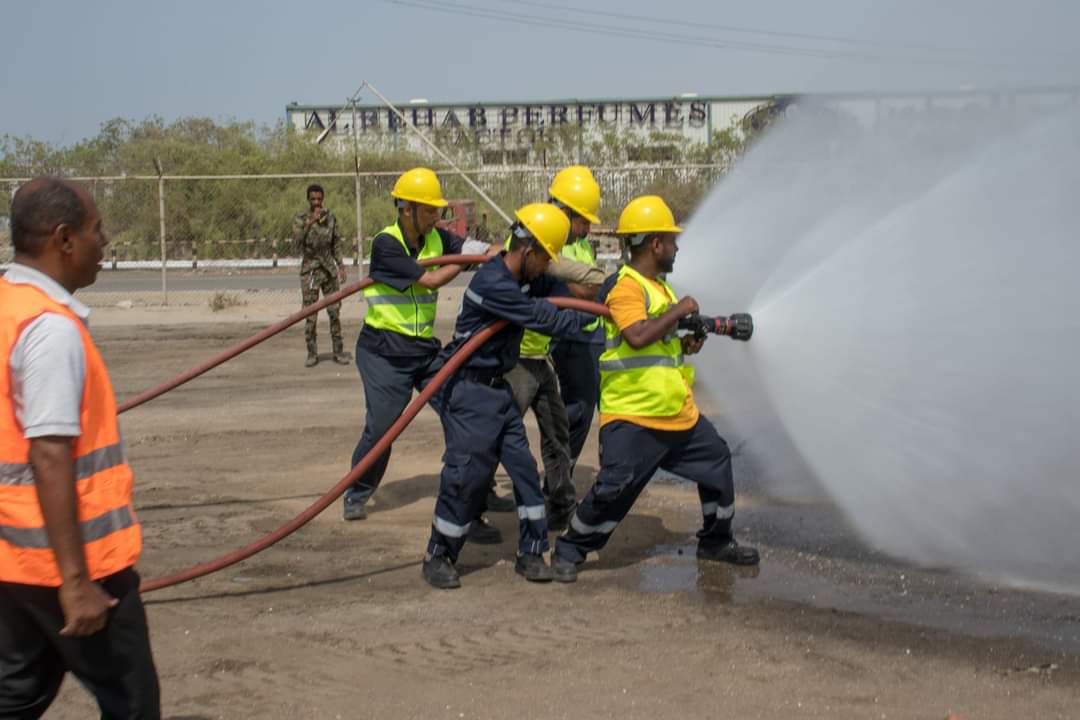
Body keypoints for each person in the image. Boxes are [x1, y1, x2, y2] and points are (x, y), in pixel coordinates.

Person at [0, 178, 161, 717]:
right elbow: (49, 453)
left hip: (14, 565)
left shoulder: (7, 307)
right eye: (98, 229)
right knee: (132, 703)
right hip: (78, 566)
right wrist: (76, 582)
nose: (106, 240)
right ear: (64, 239)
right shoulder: (50, 328)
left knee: (15, 697)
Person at [552, 195, 760, 583]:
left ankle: (716, 540)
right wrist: (680, 311)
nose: (677, 247)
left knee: (717, 461)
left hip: (676, 415)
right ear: (654, 244)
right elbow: (635, 336)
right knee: (613, 489)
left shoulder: (658, 289)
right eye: (671, 239)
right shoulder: (626, 287)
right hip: (633, 416)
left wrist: (683, 344)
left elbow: (657, 343)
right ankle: (569, 548)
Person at [422, 203, 588, 589]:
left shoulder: (527, 277)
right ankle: (438, 554)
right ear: (528, 251)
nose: (547, 265)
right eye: (545, 256)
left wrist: (602, 291)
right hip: (470, 392)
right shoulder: (493, 283)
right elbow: (546, 317)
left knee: (526, 474)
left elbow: (562, 290)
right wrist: (593, 316)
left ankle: (531, 552)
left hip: (498, 391)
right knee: (466, 477)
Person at [343, 168, 502, 542]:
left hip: (423, 351)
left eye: (436, 210)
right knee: (382, 428)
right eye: (429, 210)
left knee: (463, 412)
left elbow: (476, 249)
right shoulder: (386, 243)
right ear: (407, 209)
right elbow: (428, 279)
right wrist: (462, 263)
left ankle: (474, 501)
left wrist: (503, 252)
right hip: (383, 352)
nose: (436, 217)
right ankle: (357, 491)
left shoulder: (437, 238)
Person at [491, 166, 605, 532]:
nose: (587, 228)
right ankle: (471, 498)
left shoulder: (578, 242)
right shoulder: (544, 239)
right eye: (583, 220)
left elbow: (584, 290)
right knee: (499, 428)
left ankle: (558, 502)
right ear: (563, 209)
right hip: (519, 351)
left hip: (544, 350)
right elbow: (577, 290)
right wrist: (601, 286)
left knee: (561, 428)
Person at [293, 183, 350, 368]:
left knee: (334, 312)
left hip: (329, 271)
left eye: (319, 199)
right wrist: (310, 222)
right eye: (313, 199)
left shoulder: (330, 217)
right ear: (308, 200)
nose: (316, 203)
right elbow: (296, 241)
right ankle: (312, 353)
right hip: (310, 270)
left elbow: (336, 243)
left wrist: (341, 265)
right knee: (310, 314)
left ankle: (338, 351)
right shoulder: (301, 218)